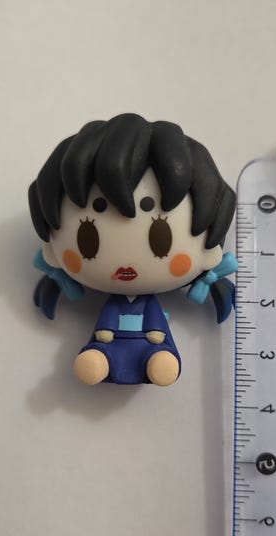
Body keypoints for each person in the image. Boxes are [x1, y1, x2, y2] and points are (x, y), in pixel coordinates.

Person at [29, 114, 237, 386]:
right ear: (53, 252)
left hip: (152, 342)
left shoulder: (147, 304)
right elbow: (107, 322)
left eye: (160, 240)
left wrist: (154, 336)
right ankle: (99, 360)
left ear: (210, 252)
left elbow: (152, 322)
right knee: (100, 351)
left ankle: (157, 360)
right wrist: (105, 334)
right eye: (87, 241)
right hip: (110, 341)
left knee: (158, 353)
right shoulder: (110, 302)